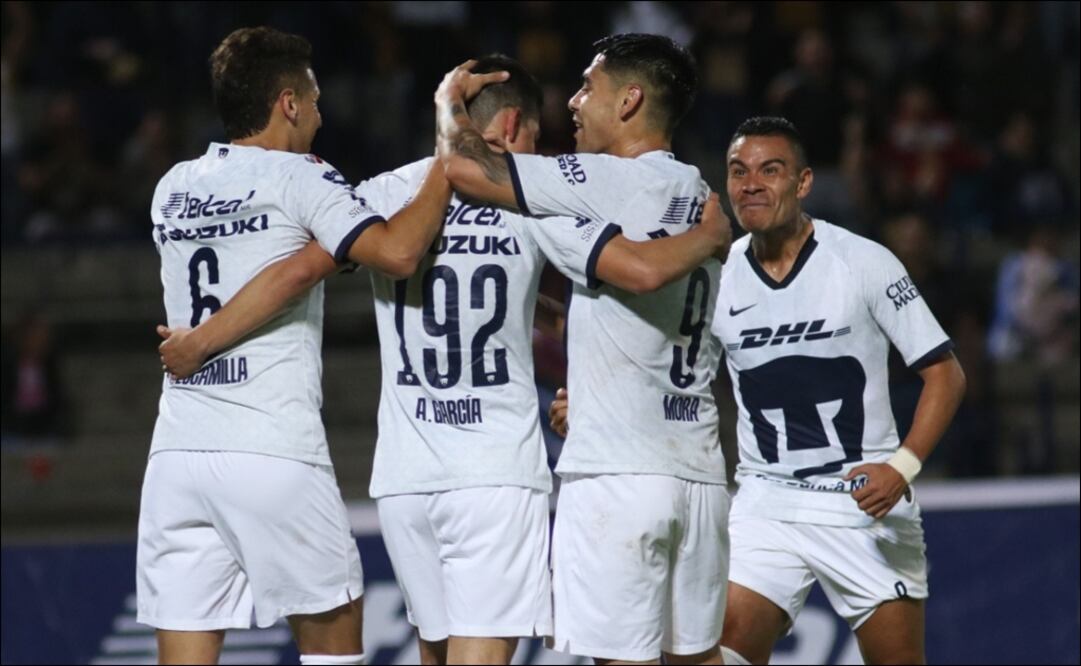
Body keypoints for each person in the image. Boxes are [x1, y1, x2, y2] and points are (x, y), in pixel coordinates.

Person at [158, 54, 731, 666]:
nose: (541, 145)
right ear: (511, 127)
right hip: (494, 472)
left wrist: (205, 337)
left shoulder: (384, 194)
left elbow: (298, 269)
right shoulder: (536, 199)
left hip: (407, 478)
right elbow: (619, 288)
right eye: (535, 133)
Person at [139, 26, 457, 666]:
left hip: (176, 456)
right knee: (333, 639)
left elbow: (276, 259)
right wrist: (450, 159)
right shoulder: (302, 178)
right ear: (287, 102)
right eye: (313, 99)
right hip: (269, 447)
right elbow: (396, 253)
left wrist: (318, 254)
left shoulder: (173, 184)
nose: (320, 111)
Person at [438, 34, 730, 665]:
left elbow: (464, 168)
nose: (572, 102)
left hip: (620, 477)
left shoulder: (601, 180)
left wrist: (449, 105)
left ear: (629, 101)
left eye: (586, 87)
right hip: (698, 472)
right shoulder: (702, 195)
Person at [711, 117, 965, 665]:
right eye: (738, 171)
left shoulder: (863, 260)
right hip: (767, 500)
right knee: (723, 642)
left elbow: (946, 374)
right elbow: (677, 372)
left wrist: (902, 467)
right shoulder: (718, 273)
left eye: (769, 170)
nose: (750, 183)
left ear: (803, 183)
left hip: (864, 502)